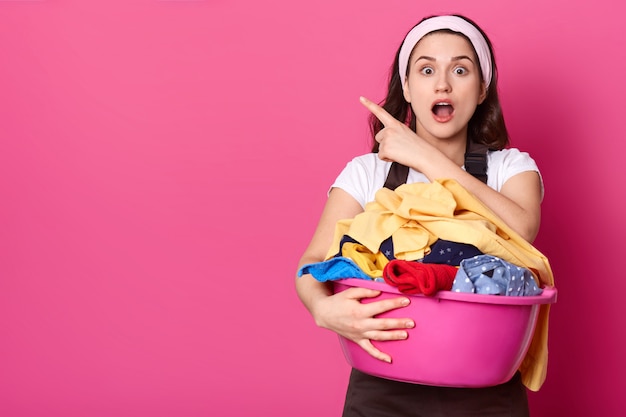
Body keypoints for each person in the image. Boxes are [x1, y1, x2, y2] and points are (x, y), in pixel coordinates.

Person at [295, 14, 544, 416]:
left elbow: (522, 229)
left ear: (481, 90)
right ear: (408, 88)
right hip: (383, 384)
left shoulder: (509, 168)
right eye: (426, 69)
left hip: (486, 393)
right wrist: (323, 310)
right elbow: (310, 264)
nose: (442, 83)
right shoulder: (367, 172)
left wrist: (424, 156)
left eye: (460, 70)